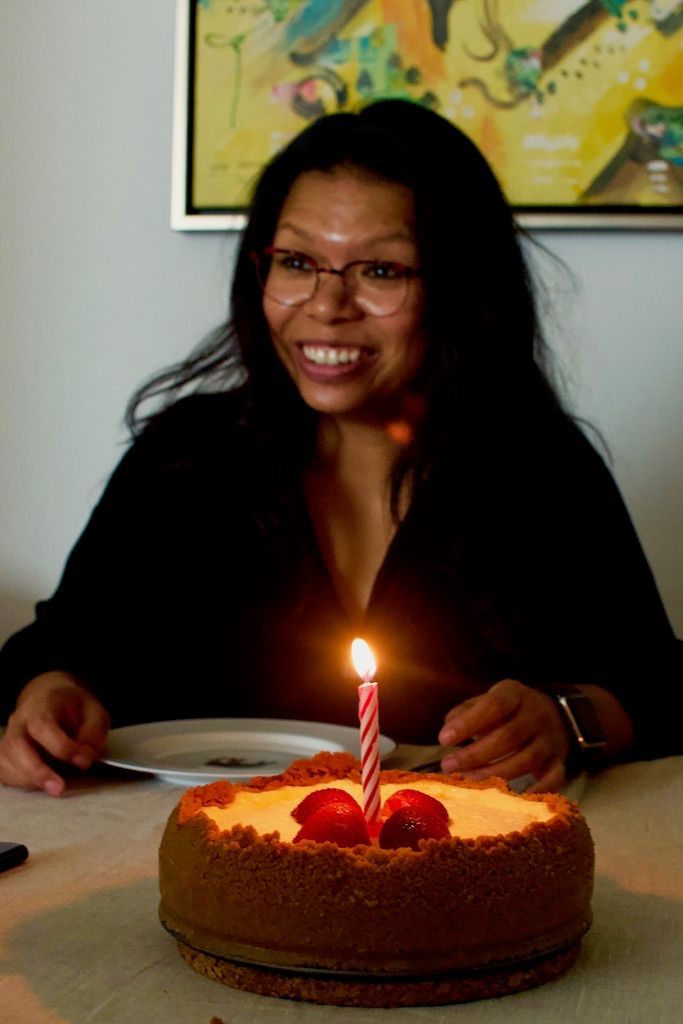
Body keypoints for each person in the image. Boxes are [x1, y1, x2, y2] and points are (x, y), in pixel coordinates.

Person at [0, 99, 680, 798]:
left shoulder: (541, 468)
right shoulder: (185, 458)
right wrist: (48, 697)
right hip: (186, 851)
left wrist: (562, 719)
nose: (326, 306)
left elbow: (663, 688)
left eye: (381, 271)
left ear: (460, 286)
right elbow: (52, 654)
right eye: (296, 262)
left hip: (440, 854)